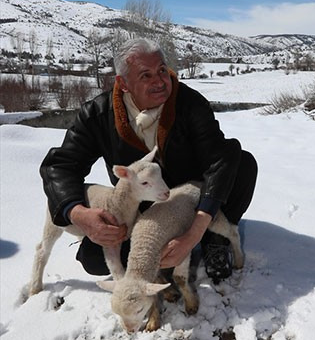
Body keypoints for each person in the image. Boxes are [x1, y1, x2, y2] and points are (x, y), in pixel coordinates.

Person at [40, 38, 257, 284]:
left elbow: (220, 158)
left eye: (162, 70)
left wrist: (194, 232)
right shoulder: (97, 114)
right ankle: (163, 248)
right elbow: (60, 166)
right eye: (145, 75)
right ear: (123, 83)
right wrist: (77, 213)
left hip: (192, 199)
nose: (159, 81)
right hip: (141, 207)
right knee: (94, 260)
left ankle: (213, 239)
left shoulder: (190, 104)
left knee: (242, 164)